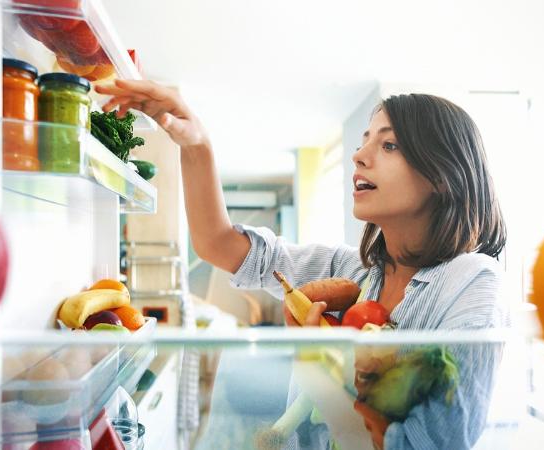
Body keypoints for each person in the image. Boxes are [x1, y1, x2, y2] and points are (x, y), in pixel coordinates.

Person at [96, 80, 508, 450]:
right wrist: (195, 142)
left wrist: (315, 366)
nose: (359, 155)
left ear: (441, 174)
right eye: (364, 140)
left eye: (388, 145)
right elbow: (218, 244)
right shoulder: (354, 271)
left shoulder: (471, 282)